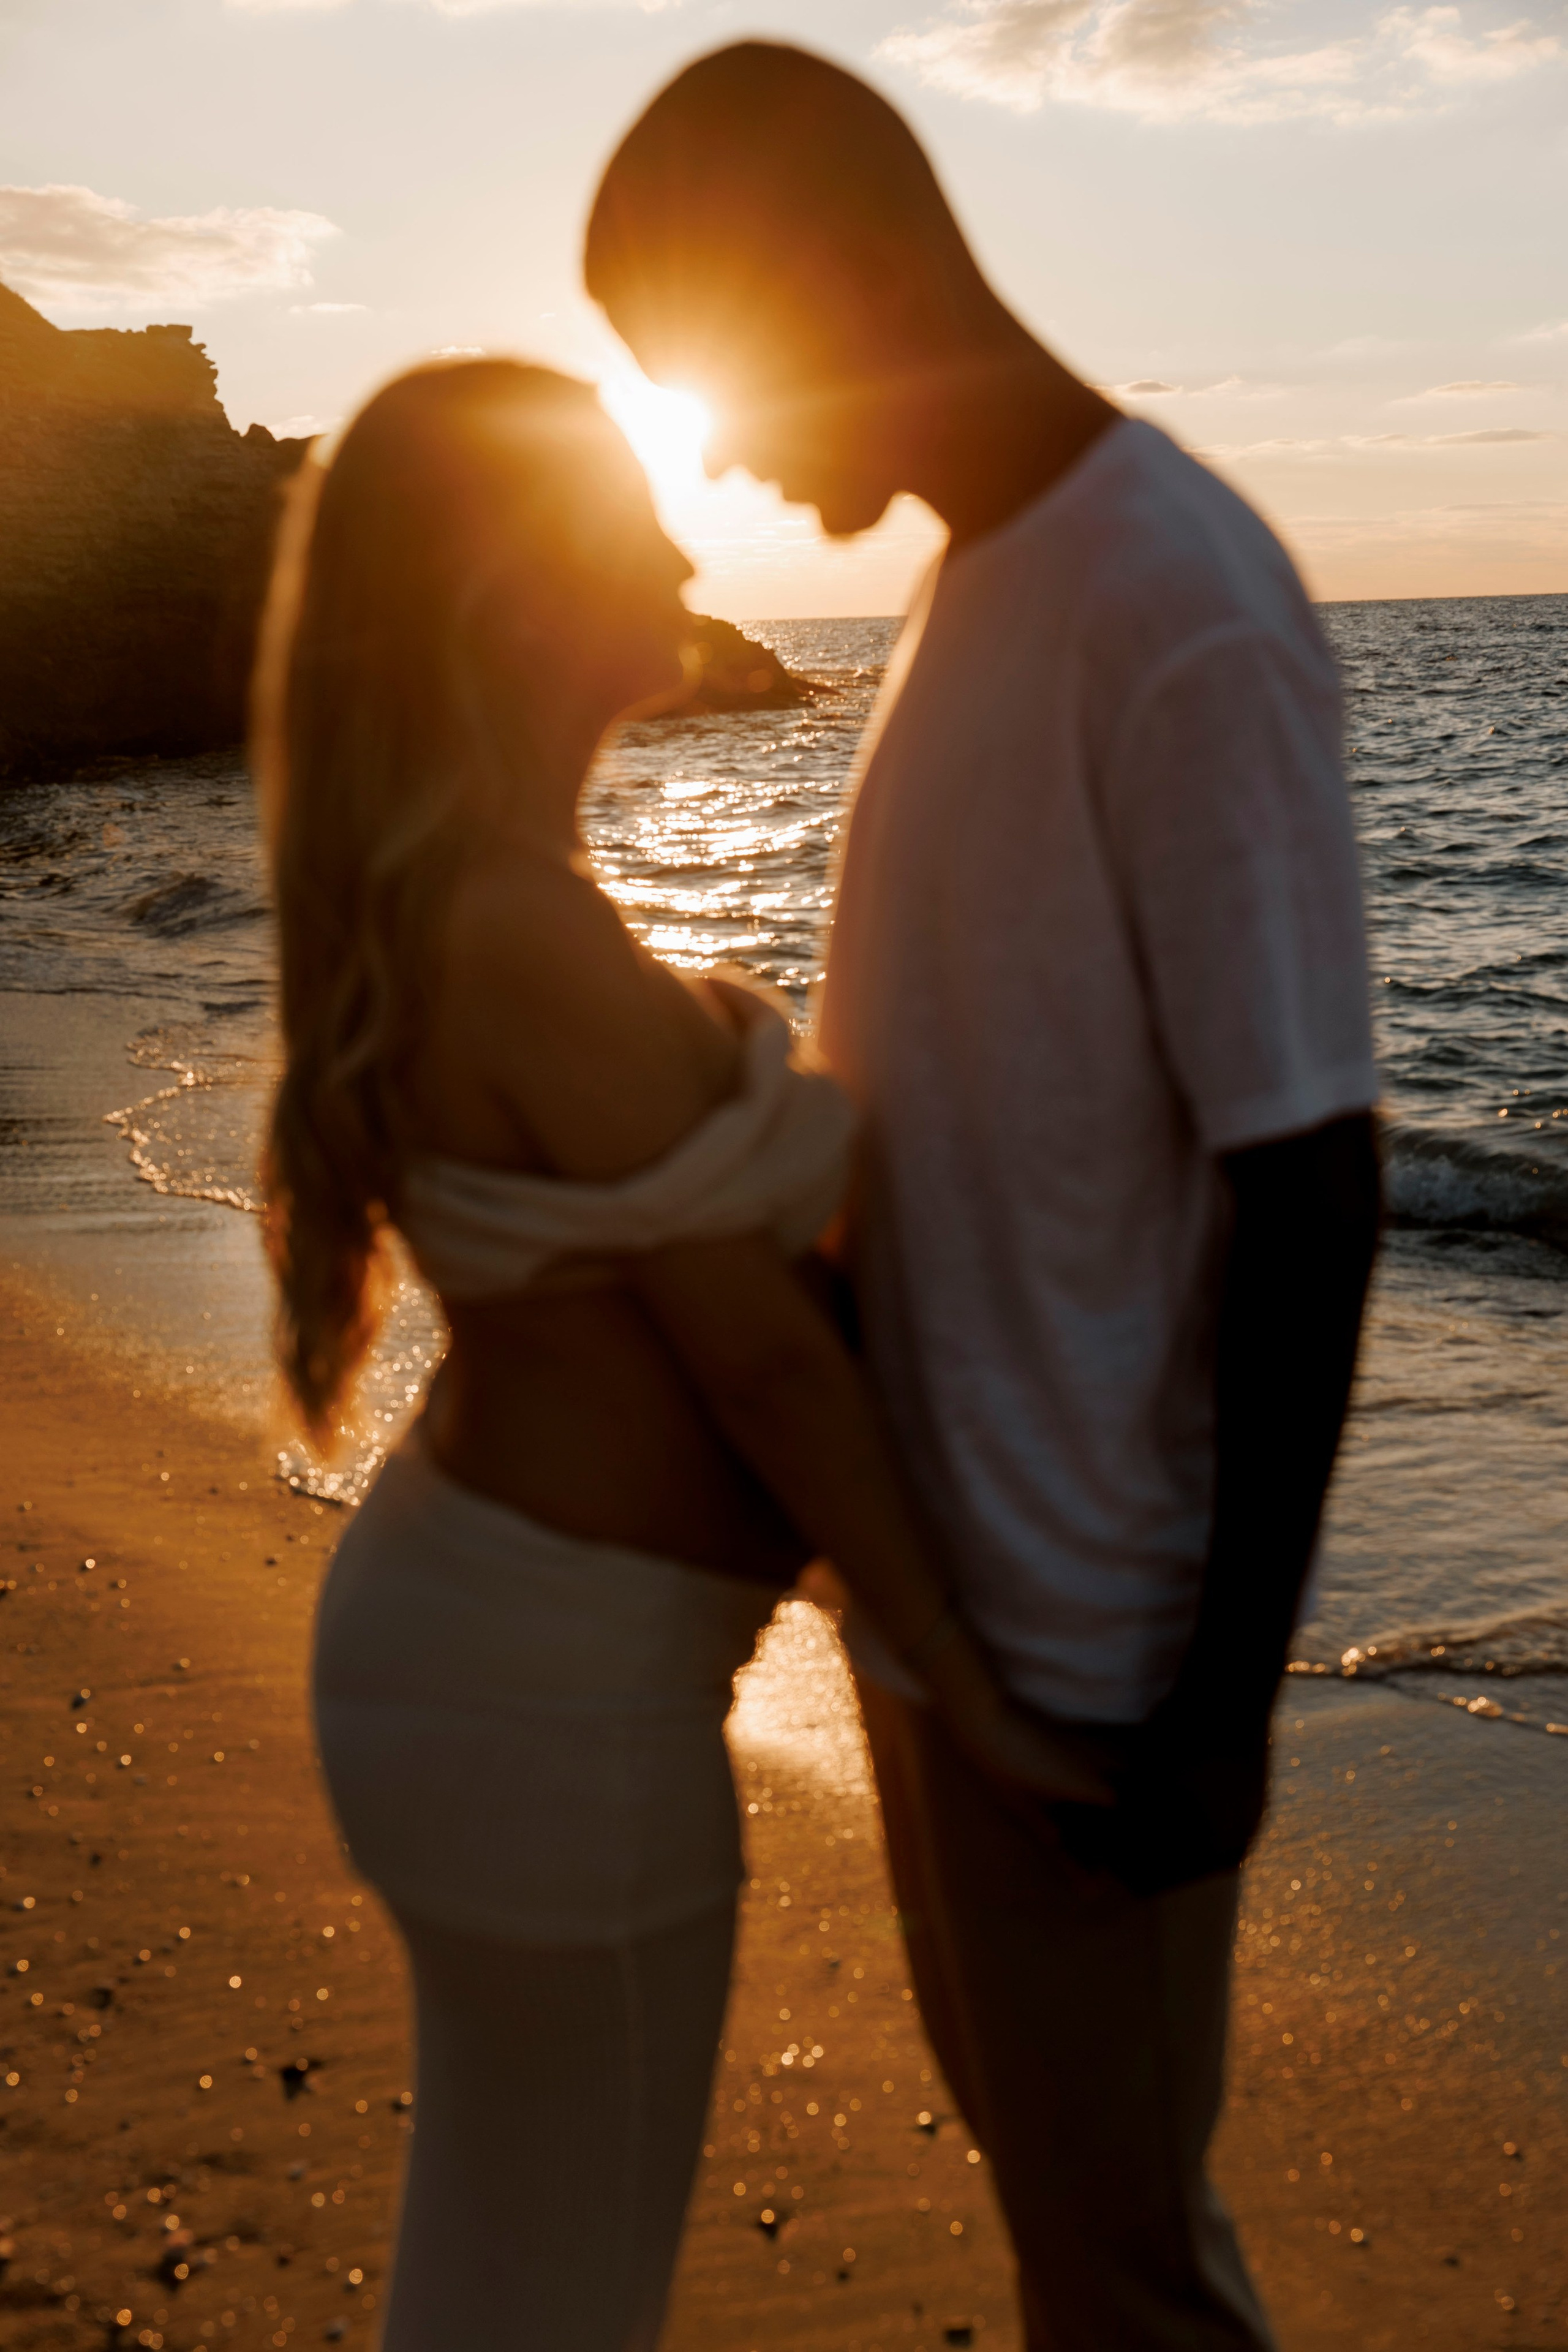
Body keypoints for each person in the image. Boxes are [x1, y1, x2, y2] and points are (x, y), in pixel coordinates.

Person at [587, 45, 1382, 2352]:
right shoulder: (976, 590)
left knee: (1133, 2281)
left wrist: (1221, 1702)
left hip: (1099, 1658)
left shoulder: (1175, 600)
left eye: (719, 381)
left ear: (843, 273)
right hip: (956, 1620)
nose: (718, 453)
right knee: (1081, 2252)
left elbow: (1310, 1176)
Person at [254, 358, 1105, 2352]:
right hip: (546, 1708)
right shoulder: (513, 931)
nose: (674, 542)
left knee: (510, 2264)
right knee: (554, 2292)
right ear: (503, 598)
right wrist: (975, 1697)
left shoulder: (495, 905)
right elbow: (771, 1373)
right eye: (618, 516)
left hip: (503, 1669)